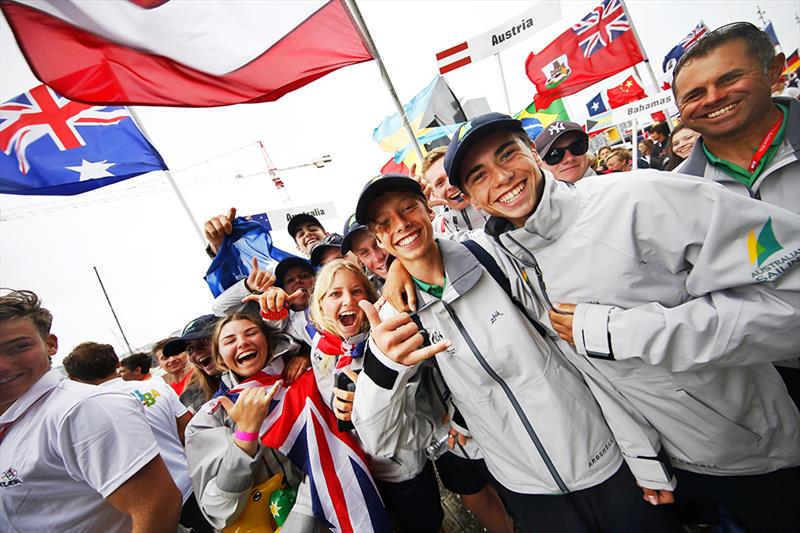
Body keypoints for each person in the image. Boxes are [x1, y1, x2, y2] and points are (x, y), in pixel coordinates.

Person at [427, 111, 800, 532]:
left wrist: (619, 332)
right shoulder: (511, 258)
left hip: (755, 456)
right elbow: (597, 377)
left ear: (534, 153)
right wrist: (647, 462)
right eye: (479, 175)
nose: (501, 177)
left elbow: (791, 301)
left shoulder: (639, 198)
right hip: (670, 472)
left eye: (507, 154)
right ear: (471, 199)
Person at [352, 174, 681, 532]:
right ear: (379, 238)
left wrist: (642, 456)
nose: (400, 225)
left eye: (408, 209)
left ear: (428, 209)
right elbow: (378, 440)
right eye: (385, 223)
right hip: (525, 486)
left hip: (601, 456)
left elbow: (580, 355)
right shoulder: (393, 319)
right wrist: (383, 367)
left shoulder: (491, 253)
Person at [672, 21, 800, 410]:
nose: (713, 97)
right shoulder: (676, 192)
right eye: (695, 93)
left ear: (773, 71)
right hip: (777, 374)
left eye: (729, 78)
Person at [0, 289, 181, 532]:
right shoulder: (19, 419)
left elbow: (158, 506)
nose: (3, 364)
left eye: (19, 347)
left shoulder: (79, 409)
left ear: (50, 344)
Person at [184, 313, 324, 532]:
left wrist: (307, 354)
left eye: (251, 333)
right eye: (229, 340)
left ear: (269, 341)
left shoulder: (306, 375)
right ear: (219, 357)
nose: (242, 342)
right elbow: (218, 510)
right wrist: (245, 438)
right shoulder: (208, 419)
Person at [62, 341, 211, 533]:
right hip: (194, 484)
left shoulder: (84, 414)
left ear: (74, 378)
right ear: (117, 363)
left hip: (147, 510)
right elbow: (190, 431)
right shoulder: (156, 388)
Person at [204, 208, 328, 258]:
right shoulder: (295, 277)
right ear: (299, 248)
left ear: (327, 234)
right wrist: (220, 245)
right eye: (300, 235)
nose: (307, 234)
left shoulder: (347, 247)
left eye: (312, 229)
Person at [422, 146, 488, 236]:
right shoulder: (435, 231)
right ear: (434, 194)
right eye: (440, 183)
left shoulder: (502, 204)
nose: (451, 185)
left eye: (452, 173)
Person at [341, 213, 390, 286]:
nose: (377, 258)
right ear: (360, 261)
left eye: (378, 242)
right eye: (365, 253)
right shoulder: (373, 293)